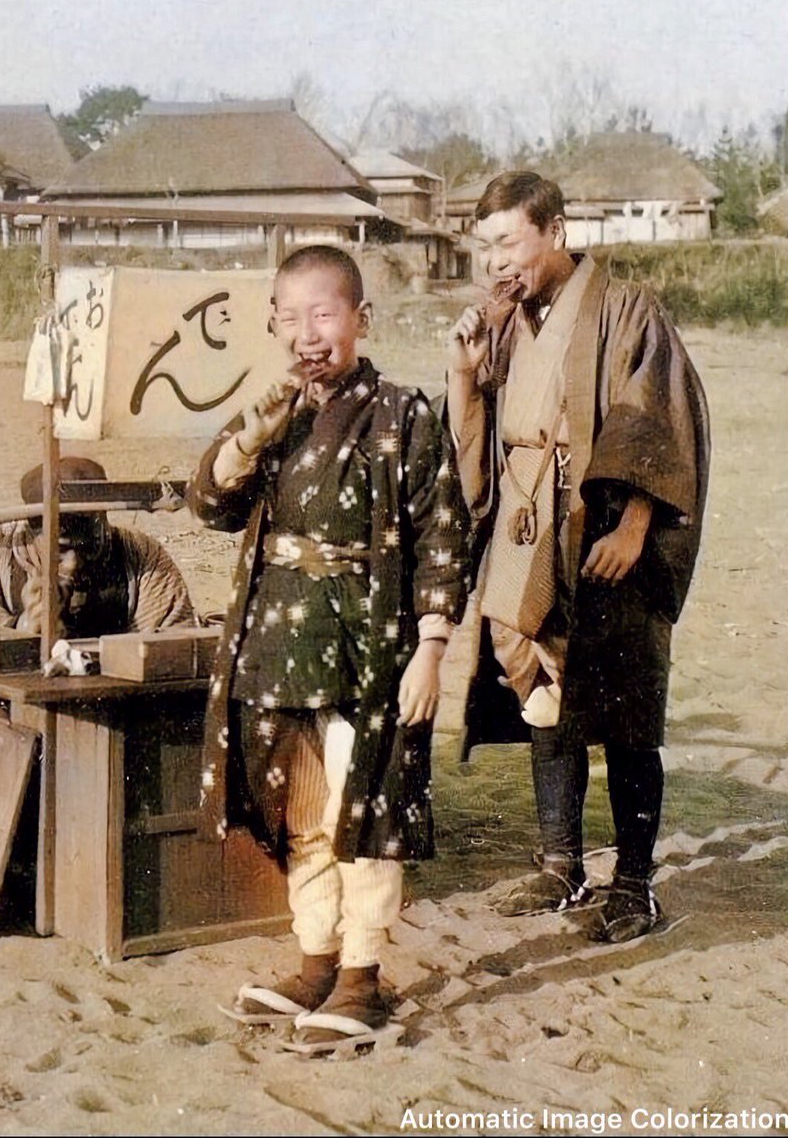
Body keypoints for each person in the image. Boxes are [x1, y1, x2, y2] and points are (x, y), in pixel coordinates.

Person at [188, 245, 470, 1052]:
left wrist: (431, 649)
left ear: (360, 320)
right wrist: (250, 438)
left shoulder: (405, 414)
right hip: (278, 639)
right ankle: (315, 961)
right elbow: (208, 503)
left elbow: (444, 536)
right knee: (300, 811)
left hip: (365, 645)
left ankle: (362, 975)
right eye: (291, 317)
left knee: (361, 811)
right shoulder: (275, 413)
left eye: (324, 314)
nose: (308, 333)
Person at [447, 171, 710, 943]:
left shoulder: (626, 308)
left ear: (555, 232)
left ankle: (633, 883)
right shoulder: (505, 322)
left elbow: (657, 417)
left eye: (508, 242)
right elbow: (478, 435)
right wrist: (464, 369)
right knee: (540, 686)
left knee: (627, 703)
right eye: (486, 247)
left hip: (601, 529)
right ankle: (561, 863)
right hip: (527, 528)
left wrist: (634, 528)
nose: (496, 262)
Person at [0, 456, 196, 776]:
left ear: (104, 521)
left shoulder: (143, 557)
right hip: (10, 711)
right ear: (32, 530)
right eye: (61, 549)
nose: (73, 564)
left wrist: (115, 660)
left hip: (116, 711)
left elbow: (174, 638)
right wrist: (23, 630)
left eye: (88, 546)